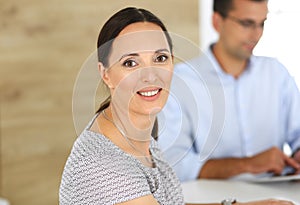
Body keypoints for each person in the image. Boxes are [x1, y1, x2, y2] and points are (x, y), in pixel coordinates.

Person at [59, 6, 295, 205]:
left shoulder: (139, 138)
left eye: (160, 58)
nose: (150, 76)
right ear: (106, 74)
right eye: (130, 63)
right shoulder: (104, 167)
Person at [158, 0, 300, 182]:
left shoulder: (277, 74)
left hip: (278, 196)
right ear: (217, 22)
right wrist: (248, 164)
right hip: (215, 201)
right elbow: (173, 162)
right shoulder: (181, 82)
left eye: (261, 23)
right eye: (246, 23)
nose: (256, 34)